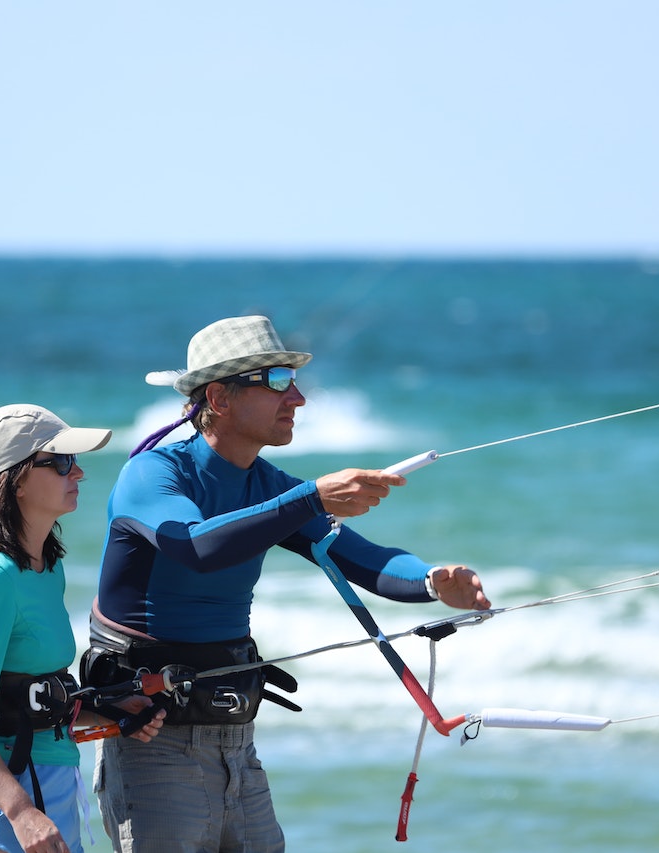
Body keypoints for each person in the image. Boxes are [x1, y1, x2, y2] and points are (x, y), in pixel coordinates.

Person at [83, 315, 491, 853]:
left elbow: (364, 561)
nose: (297, 398)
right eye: (277, 381)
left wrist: (434, 582)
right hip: (153, 738)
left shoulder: (270, 485)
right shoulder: (154, 474)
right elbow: (196, 545)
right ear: (219, 398)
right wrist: (310, 498)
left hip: (236, 739)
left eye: (294, 382)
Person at [0, 404, 165, 853]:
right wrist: (20, 812)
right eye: (63, 462)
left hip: (50, 789)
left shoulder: (45, 568)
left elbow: (24, 699)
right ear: (15, 480)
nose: (80, 473)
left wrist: (108, 712)